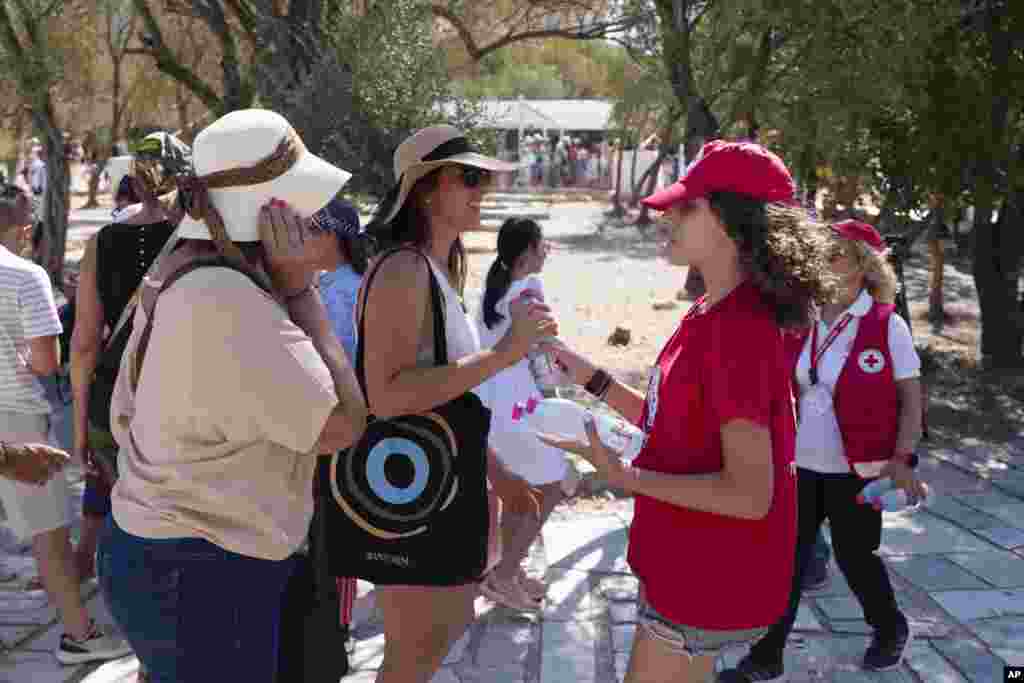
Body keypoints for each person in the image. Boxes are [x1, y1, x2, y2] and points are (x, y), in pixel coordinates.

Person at [538, 140, 836, 682]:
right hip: (688, 570)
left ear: (734, 221)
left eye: (687, 206)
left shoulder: (738, 331)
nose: (667, 217)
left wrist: (624, 476)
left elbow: (748, 494)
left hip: (702, 580)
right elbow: (671, 427)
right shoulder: (712, 313)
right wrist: (589, 377)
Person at [97, 109, 368, 683]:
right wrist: (303, 298)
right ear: (271, 212)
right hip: (200, 572)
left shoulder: (186, 265)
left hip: (170, 559)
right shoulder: (226, 297)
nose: (314, 216)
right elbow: (343, 423)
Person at [358, 124, 557, 683]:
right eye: (468, 177)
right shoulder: (402, 269)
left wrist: (491, 469)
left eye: (483, 178)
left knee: (439, 632)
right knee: (413, 651)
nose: (482, 190)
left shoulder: (438, 269)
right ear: (423, 189)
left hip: (442, 483)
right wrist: (506, 353)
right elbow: (388, 394)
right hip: (412, 493)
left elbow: (450, 395)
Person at [720, 219, 924, 681]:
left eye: (839, 254)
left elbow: (911, 397)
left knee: (856, 558)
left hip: (856, 468)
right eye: (824, 252)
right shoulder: (805, 318)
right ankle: (767, 656)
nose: (827, 262)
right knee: (787, 561)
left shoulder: (885, 325)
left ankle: (889, 627)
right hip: (801, 466)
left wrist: (903, 457)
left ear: (863, 267)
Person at [0, 183, 132, 665]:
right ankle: (80, 634)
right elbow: (44, 361)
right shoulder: (24, 275)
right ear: (25, 227)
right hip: (16, 419)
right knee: (50, 536)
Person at [69, 147, 181, 583]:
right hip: (181, 392)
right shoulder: (203, 238)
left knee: (122, 503)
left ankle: (124, 592)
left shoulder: (102, 240)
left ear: (132, 182)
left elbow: (83, 344)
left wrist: (79, 428)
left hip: (115, 396)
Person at [476, 217, 567, 612]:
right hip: (518, 401)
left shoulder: (493, 289)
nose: (546, 249)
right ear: (528, 251)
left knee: (517, 489)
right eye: (542, 243)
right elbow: (545, 350)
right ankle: (504, 574)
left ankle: (507, 568)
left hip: (491, 401)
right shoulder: (530, 289)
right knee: (549, 484)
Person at [314, 197, 375, 362]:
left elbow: (338, 359)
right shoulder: (362, 277)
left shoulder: (337, 292)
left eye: (311, 229)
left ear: (331, 236)